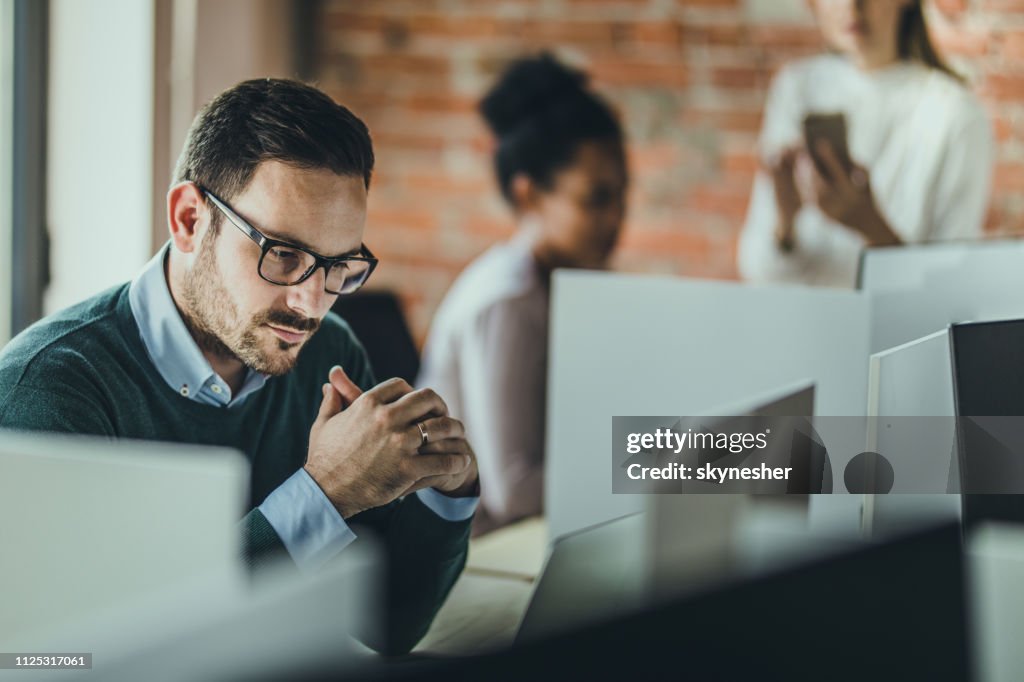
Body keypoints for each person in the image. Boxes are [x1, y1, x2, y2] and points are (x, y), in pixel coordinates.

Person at [0, 79, 479, 655]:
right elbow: (82, 657)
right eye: (283, 255)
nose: (312, 305)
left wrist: (448, 494)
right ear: (188, 220)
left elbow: (386, 625)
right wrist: (322, 497)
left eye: (338, 266)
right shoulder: (45, 392)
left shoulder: (329, 355)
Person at [416, 54, 628, 534]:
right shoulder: (507, 301)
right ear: (530, 194)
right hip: (478, 550)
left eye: (622, 195)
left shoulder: (573, 283)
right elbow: (511, 489)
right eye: (596, 198)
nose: (617, 218)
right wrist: (658, 470)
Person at [737, 0, 993, 288]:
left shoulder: (955, 114)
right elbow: (756, 268)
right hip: (797, 323)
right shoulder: (796, 86)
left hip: (894, 332)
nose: (851, 5)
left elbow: (949, 290)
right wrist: (785, 222)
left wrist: (870, 225)